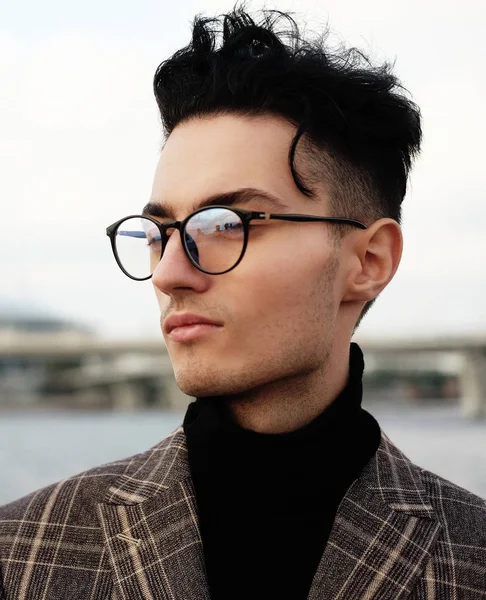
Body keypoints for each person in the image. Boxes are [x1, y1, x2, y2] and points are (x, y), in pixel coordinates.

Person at [1, 8, 485, 600]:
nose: (169, 273)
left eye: (227, 224)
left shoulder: (471, 557)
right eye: (159, 232)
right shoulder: (21, 551)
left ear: (369, 261)